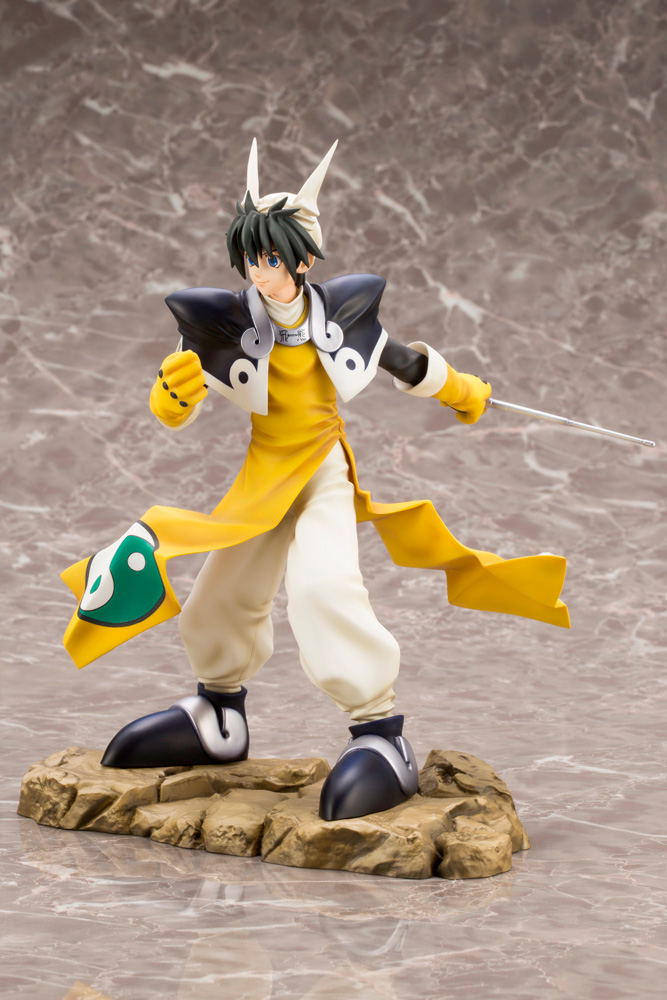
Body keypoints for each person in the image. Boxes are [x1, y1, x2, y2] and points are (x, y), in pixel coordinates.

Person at [62, 140, 569, 822]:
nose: (258, 271)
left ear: (302, 260)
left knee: (324, 589)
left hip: (322, 471)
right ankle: (218, 717)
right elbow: (175, 403)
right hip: (263, 476)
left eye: (270, 259)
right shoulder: (225, 322)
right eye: (250, 259)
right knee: (219, 595)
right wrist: (172, 393)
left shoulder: (340, 314)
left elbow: (400, 360)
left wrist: (462, 391)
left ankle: (380, 734)